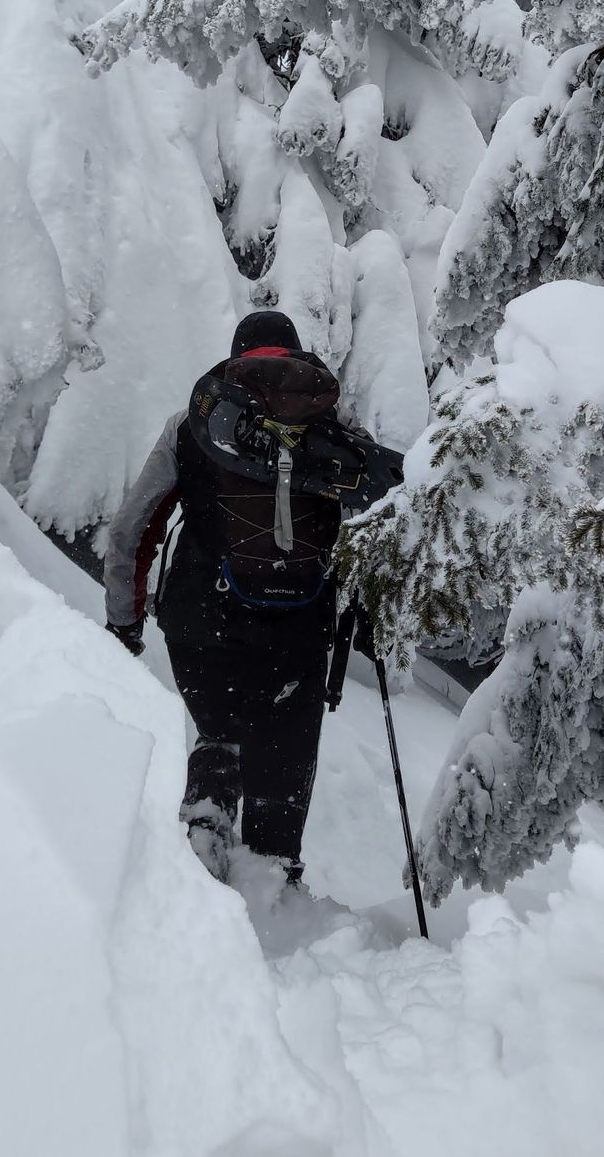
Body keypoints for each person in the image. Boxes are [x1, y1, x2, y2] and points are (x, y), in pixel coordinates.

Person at [103, 311, 399, 886]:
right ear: (296, 359)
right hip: (300, 629)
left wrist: (125, 622)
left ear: (236, 360)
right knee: (284, 758)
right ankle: (272, 883)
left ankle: (206, 839)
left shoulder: (192, 426)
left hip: (200, 620)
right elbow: (379, 531)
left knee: (218, 733)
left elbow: (132, 528)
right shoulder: (335, 433)